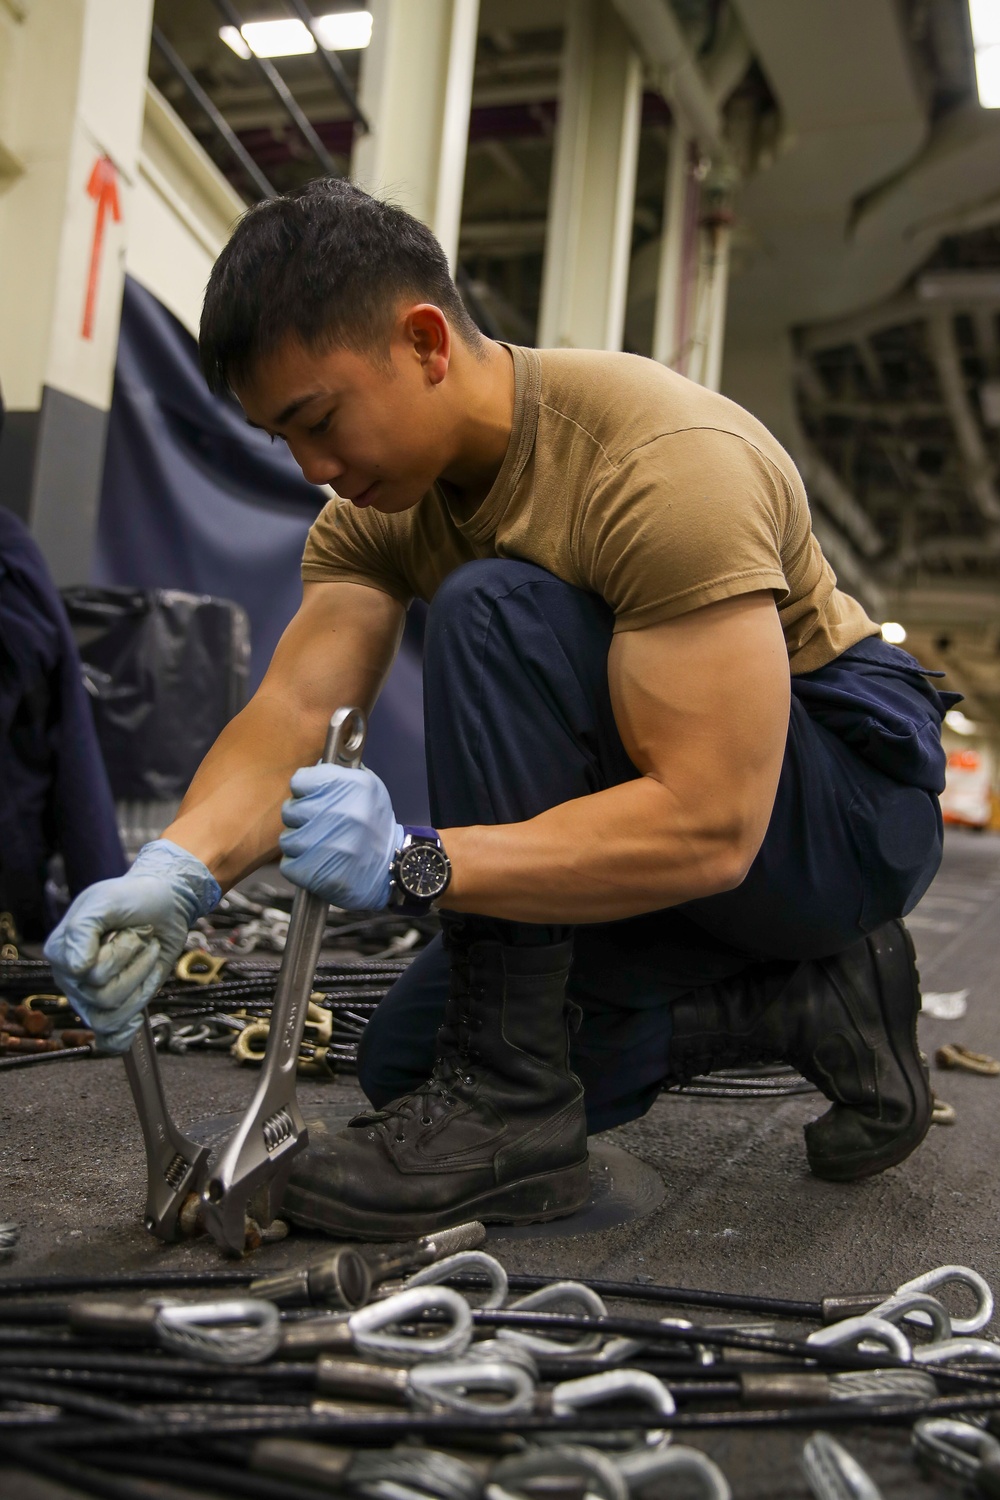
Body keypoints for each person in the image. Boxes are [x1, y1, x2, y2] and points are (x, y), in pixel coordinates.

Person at [46, 180, 955, 1238]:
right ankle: (802, 1003)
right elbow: (295, 707)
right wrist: (179, 873)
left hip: (834, 827)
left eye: (320, 422)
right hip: (688, 836)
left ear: (426, 341)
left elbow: (711, 826)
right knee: (401, 1069)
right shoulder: (375, 508)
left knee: (495, 607)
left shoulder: (660, 467)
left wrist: (411, 862)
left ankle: (510, 1107)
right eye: (283, 443)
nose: (317, 472)